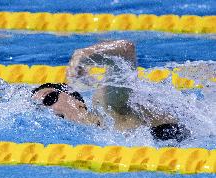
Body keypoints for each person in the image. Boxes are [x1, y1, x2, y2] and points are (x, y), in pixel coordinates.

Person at [32, 40, 191, 142]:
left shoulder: (104, 104)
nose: (49, 109)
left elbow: (126, 50)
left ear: (76, 99)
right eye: (41, 108)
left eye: (49, 98)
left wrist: (83, 55)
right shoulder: (90, 137)